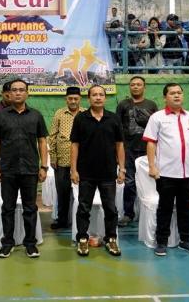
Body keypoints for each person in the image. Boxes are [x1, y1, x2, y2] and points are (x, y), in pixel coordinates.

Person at [142, 83, 189, 256]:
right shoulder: (157, 117)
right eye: (172, 93)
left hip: (188, 173)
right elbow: (151, 143)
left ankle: (186, 240)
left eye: (179, 93)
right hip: (166, 174)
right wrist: (152, 166)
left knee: (185, 207)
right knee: (165, 207)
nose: (177, 95)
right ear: (165, 97)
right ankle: (161, 241)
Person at [0, 79, 49, 259]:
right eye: (14, 90)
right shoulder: (1, 116)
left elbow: (42, 141)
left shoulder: (36, 116)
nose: (17, 93)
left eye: (21, 90)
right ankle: (7, 243)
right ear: (8, 94)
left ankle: (30, 244)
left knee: (30, 208)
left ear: (27, 93)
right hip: (8, 169)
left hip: (30, 169)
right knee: (7, 208)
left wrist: (44, 166)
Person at [70, 85, 125, 257]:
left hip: (108, 173)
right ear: (89, 98)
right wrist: (73, 169)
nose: (98, 97)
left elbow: (120, 145)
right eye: (94, 95)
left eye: (101, 94)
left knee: (110, 208)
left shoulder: (114, 118)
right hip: (86, 173)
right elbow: (74, 145)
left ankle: (111, 239)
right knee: (83, 208)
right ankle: (82, 239)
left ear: (105, 98)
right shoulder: (80, 118)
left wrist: (122, 168)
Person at [115, 76, 158, 227]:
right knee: (129, 182)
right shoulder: (122, 105)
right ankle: (128, 213)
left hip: (148, 150)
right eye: (133, 84)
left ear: (144, 87)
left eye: (139, 84)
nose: (135, 87)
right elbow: (117, 129)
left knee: (151, 182)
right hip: (128, 150)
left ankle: (153, 211)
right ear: (129, 87)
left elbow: (156, 128)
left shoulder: (151, 105)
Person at [47, 86, 84, 230]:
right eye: (70, 98)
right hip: (62, 160)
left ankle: (80, 221)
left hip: (81, 161)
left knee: (81, 193)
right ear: (66, 99)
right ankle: (62, 221)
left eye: (76, 98)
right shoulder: (59, 114)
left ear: (80, 99)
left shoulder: (85, 113)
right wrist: (53, 157)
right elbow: (53, 136)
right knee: (62, 192)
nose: (73, 101)